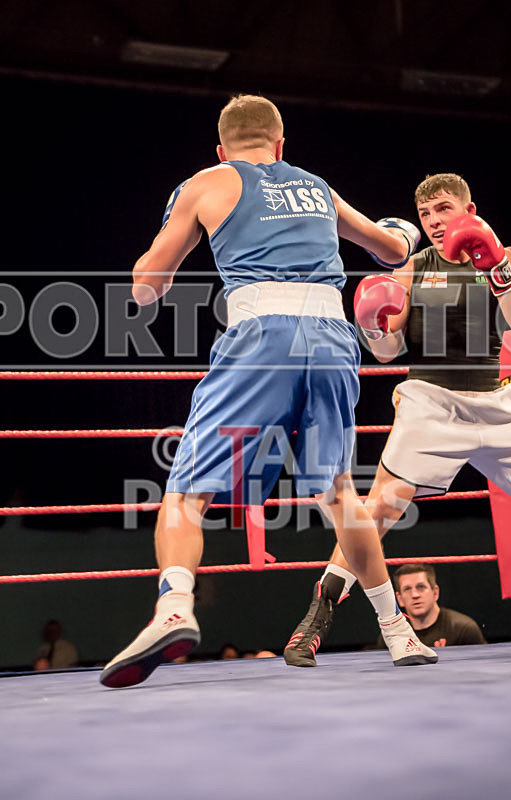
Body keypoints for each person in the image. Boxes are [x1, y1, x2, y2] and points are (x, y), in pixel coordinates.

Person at [100, 94, 437, 688]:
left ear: (222, 148)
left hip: (261, 336)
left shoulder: (206, 183)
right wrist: (397, 231)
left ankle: (176, 606)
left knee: (186, 492)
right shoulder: (317, 186)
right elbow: (392, 251)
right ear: (281, 146)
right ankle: (397, 629)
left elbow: (148, 285)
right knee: (338, 494)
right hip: (334, 339)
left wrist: (158, 257)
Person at [284, 172, 511, 667]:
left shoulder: (504, 256)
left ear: (469, 208)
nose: (433, 222)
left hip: (494, 403)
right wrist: (371, 324)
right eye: (425, 214)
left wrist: (495, 267)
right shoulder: (411, 266)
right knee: (379, 508)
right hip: (431, 401)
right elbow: (387, 352)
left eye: (443, 209)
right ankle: (316, 617)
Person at [375, 564, 487, 649]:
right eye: (407, 589)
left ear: (435, 592)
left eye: (421, 587)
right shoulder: (392, 635)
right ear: (399, 599)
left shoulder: (463, 629)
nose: (415, 595)